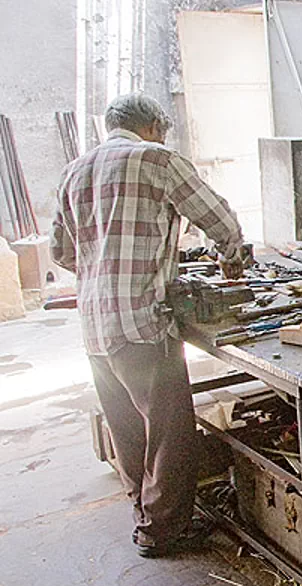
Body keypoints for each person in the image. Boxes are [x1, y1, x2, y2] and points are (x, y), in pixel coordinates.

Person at [51, 93, 251, 558]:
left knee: (126, 425)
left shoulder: (74, 170)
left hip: (95, 326)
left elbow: (61, 251)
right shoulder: (157, 159)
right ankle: (161, 531)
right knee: (170, 431)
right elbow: (219, 220)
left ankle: (143, 509)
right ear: (154, 127)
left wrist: (103, 265)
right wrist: (232, 258)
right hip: (142, 324)